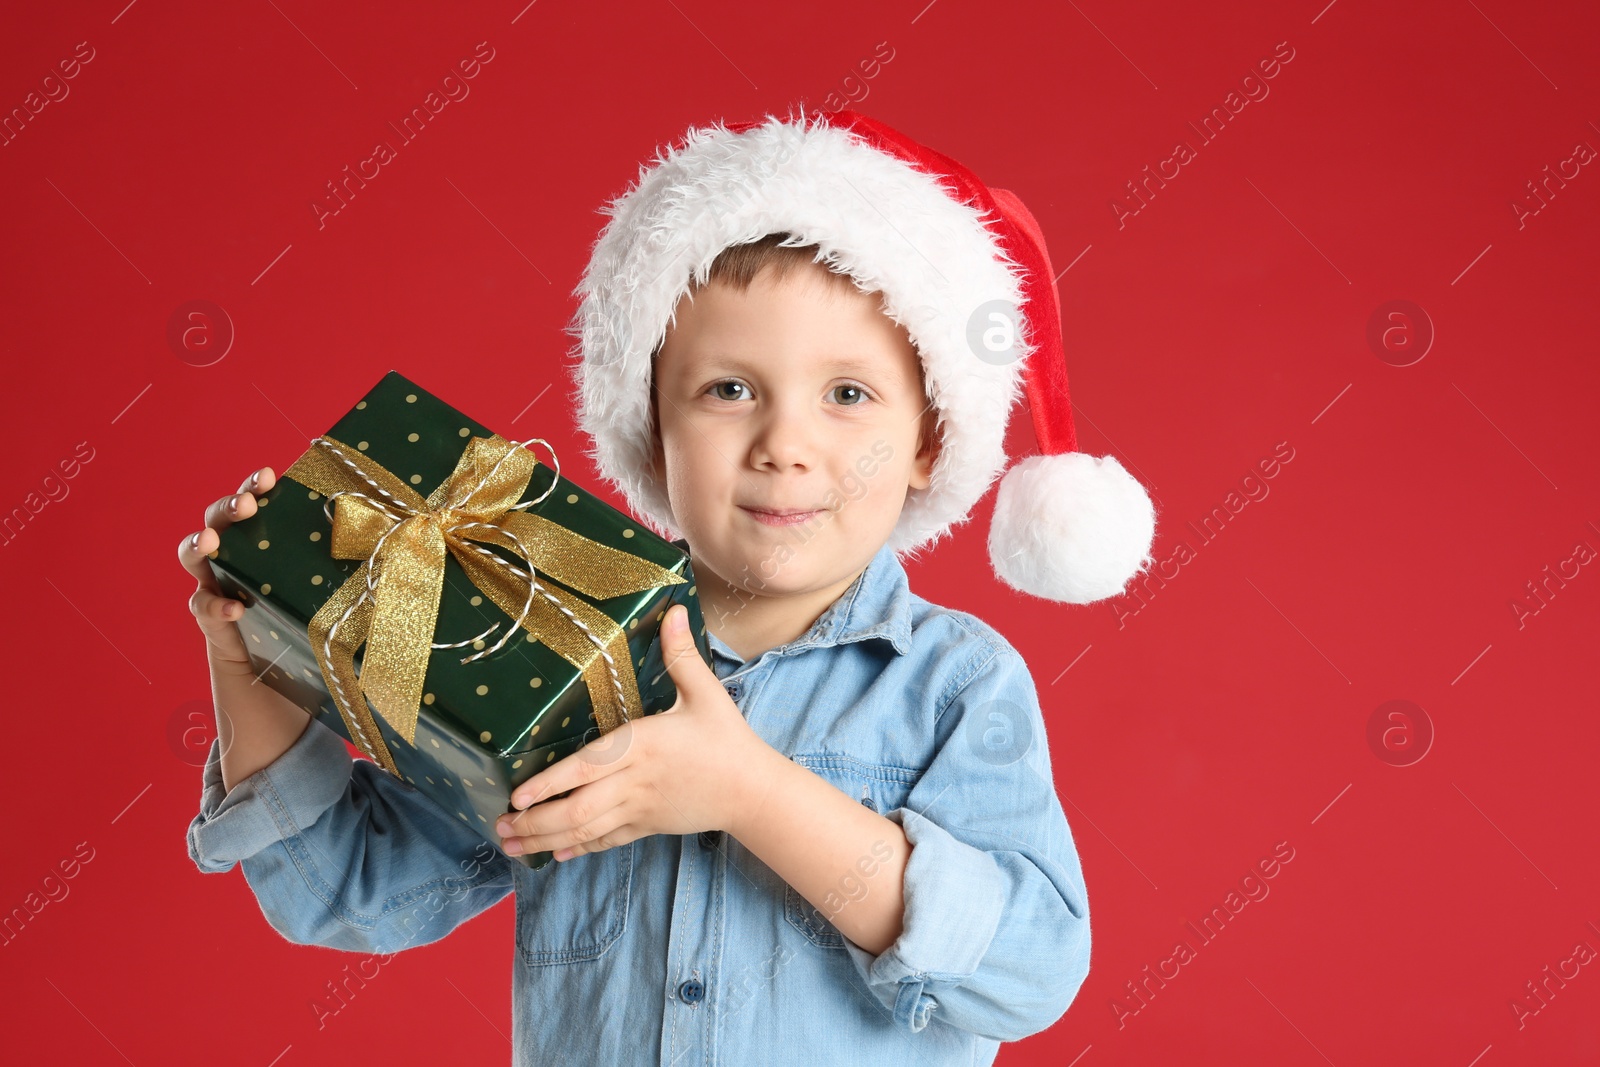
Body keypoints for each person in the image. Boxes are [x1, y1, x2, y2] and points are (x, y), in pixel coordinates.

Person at [180, 107, 1156, 1065]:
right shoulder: (549, 648)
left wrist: (748, 791)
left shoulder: (953, 682)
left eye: (848, 394)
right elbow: (353, 893)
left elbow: (1027, 970)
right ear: (651, 426)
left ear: (926, 444)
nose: (783, 446)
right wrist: (255, 653)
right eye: (728, 389)